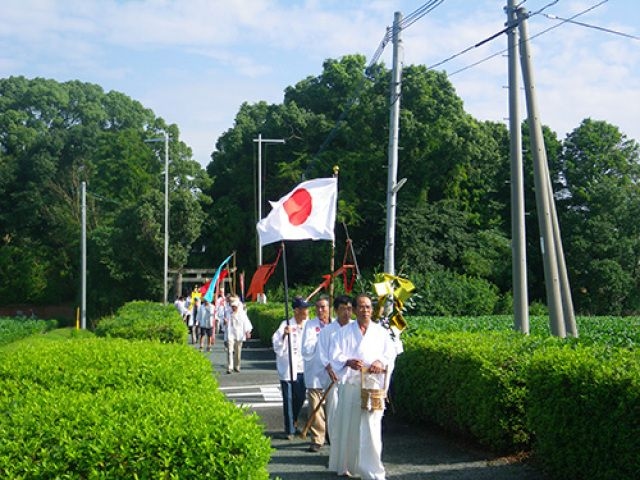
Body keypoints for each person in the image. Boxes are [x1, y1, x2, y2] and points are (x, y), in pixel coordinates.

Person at [329, 293, 397, 480]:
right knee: (348, 426)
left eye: (368, 307)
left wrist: (380, 362)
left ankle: (373, 470)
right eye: (361, 306)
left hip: (372, 387)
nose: (364, 310)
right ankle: (346, 465)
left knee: (372, 428)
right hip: (351, 386)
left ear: (372, 310)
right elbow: (334, 356)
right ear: (354, 309)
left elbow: (390, 354)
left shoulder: (381, 332)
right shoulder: (343, 333)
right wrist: (348, 361)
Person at [322, 295, 354, 469]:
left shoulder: (356, 329)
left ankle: (349, 451)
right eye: (343, 309)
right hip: (333, 378)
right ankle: (336, 449)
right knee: (334, 414)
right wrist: (329, 368)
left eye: (349, 308)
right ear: (336, 310)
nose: (346, 312)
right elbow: (323, 353)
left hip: (352, 380)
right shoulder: (329, 330)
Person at [272, 295, 310, 440]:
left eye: (307, 308)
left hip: (303, 367)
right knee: (287, 398)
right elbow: (276, 344)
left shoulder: (309, 325)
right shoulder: (286, 324)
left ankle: (294, 420)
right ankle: (289, 429)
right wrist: (284, 335)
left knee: (300, 397)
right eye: (303, 309)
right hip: (288, 367)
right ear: (296, 310)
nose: (306, 311)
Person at [301, 295, 332, 452]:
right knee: (315, 407)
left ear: (329, 308)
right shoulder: (310, 326)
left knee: (333, 406)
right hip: (315, 371)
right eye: (318, 307)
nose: (320, 310)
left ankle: (332, 434)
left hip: (333, 373)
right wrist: (322, 340)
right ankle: (317, 438)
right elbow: (306, 348)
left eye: (323, 307)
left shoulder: (336, 325)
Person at [224, 296, 253, 373]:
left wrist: (247, 332)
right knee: (229, 351)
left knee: (238, 352)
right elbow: (225, 323)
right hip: (230, 334)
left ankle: (237, 366)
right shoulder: (228, 313)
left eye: (235, 306)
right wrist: (225, 322)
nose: (233, 308)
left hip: (239, 335)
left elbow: (246, 323)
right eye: (232, 306)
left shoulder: (242, 314)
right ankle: (229, 367)